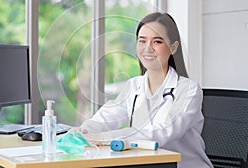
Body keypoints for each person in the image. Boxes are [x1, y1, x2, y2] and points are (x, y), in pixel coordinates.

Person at [70, 12, 213, 168]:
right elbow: (107, 118)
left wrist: (101, 138)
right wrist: (83, 132)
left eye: (157, 41)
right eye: (142, 41)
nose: (148, 48)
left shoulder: (188, 90)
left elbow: (163, 133)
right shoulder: (134, 86)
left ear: (173, 47)